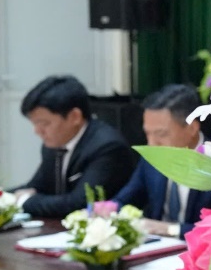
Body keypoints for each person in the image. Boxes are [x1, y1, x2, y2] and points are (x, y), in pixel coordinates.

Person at [111, 84, 211, 237]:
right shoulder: (151, 159)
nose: (151, 143)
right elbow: (124, 201)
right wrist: (100, 211)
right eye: (147, 134)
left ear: (192, 128)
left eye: (161, 134)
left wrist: (171, 230)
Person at [11, 75, 136, 218]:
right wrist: (0, 196)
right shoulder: (53, 145)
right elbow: (36, 187)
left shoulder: (107, 147)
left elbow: (79, 203)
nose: (37, 131)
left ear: (75, 117)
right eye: (35, 124)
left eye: (44, 124)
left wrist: (24, 201)